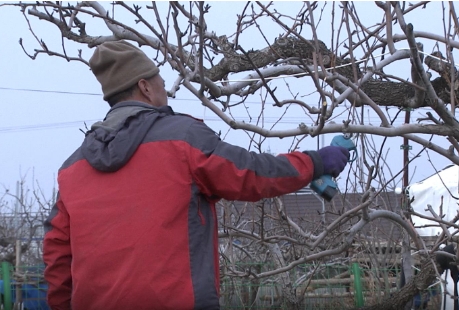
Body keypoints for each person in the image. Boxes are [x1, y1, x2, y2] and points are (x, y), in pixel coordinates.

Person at [43, 40, 350, 310]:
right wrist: (315, 162)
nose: (164, 89)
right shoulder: (182, 139)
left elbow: (57, 254)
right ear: (145, 87)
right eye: (160, 81)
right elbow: (253, 173)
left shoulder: (72, 168)